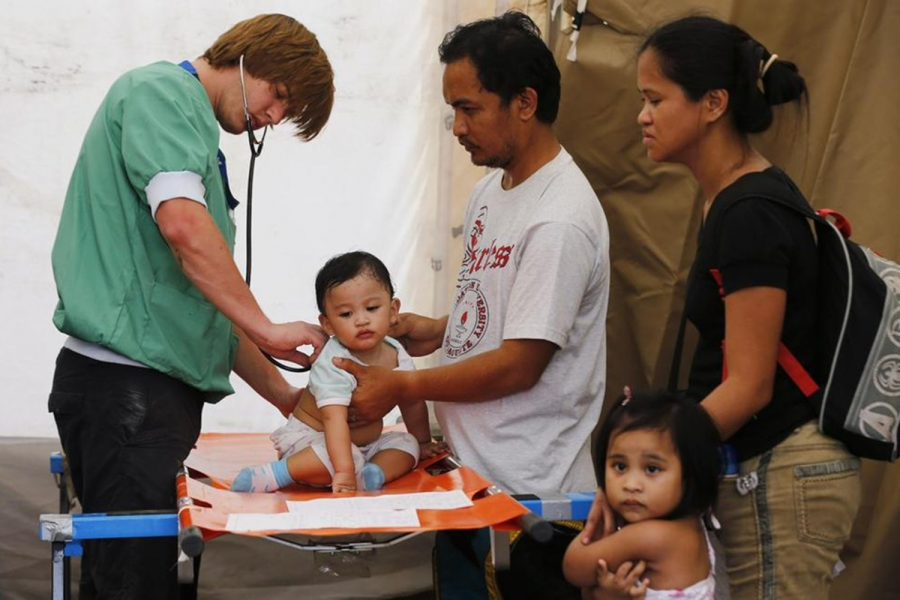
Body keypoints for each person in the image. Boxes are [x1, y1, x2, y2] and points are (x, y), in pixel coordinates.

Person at [47, 14, 334, 599]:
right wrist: (270, 327)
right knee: (133, 586)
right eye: (279, 97)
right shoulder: (160, 94)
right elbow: (183, 228)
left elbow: (206, 312)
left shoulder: (195, 134)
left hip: (141, 398)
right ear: (249, 56)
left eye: (285, 114)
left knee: (134, 577)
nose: (273, 118)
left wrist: (290, 399)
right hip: (124, 390)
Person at [580, 15, 861, 600]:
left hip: (784, 468)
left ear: (712, 103)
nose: (642, 116)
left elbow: (751, 385)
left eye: (655, 98)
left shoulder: (749, 212)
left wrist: (643, 467)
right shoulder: (732, 202)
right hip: (765, 467)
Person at [334, 11, 610, 598]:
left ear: (525, 102)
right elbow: (494, 315)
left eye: (469, 108)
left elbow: (520, 363)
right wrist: (426, 329)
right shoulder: (492, 189)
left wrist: (404, 386)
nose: (456, 127)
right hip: (468, 482)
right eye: (451, 110)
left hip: (529, 501)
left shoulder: (559, 218)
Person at [230, 251, 445, 494]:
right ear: (328, 324)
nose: (361, 320)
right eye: (346, 314)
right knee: (340, 458)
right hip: (313, 442)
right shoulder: (334, 361)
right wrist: (343, 472)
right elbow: (334, 419)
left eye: (372, 308)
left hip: (365, 446)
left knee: (407, 444)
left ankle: (373, 474)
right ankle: (273, 474)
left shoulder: (396, 351)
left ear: (393, 310)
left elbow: (412, 400)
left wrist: (424, 441)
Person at [563, 389, 721, 599]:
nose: (631, 484)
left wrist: (596, 522)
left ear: (690, 474)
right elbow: (590, 590)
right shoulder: (692, 523)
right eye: (619, 466)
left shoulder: (653, 536)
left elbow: (574, 568)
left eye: (652, 469)